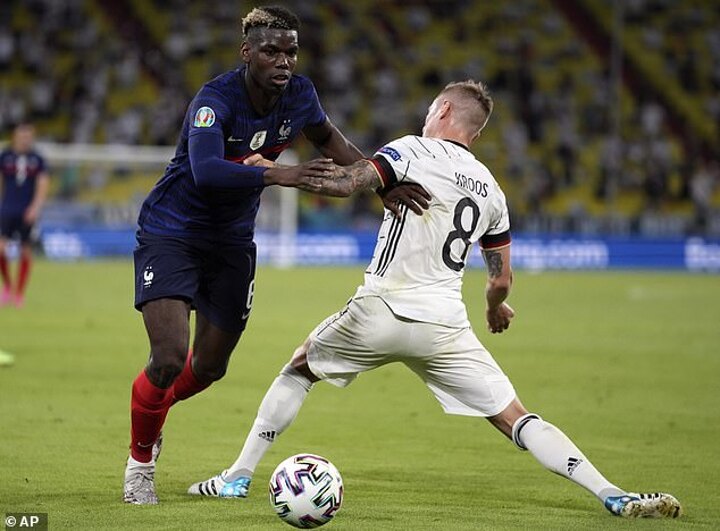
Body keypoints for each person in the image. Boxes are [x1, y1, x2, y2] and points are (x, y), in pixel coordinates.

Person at [188, 80, 682, 519]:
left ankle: (237, 476)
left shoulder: (412, 150)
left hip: (382, 309)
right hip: (445, 326)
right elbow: (501, 279)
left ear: (443, 111)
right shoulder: (491, 190)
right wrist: (494, 307)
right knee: (516, 417)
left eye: (431, 109)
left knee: (299, 369)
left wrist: (275, 170)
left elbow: (348, 182)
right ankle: (611, 493)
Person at [123, 5, 429, 505]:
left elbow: (328, 138)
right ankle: (140, 465)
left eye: (291, 52)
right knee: (169, 357)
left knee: (209, 367)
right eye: (271, 51)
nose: (283, 61)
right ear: (247, 52)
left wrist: (381, 181)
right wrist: (281, 174)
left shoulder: (301, 94)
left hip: (232, 242)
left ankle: (153, 413)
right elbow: (205, 170)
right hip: (173, 232)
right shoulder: (215, 100)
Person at [0, 123, 50, 308]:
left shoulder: (37, 159)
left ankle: (19, 293)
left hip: (27, 210)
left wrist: (35, 207)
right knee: (1, 248)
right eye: (22, 136)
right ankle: (7, 286)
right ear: (15, 136)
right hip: (6, 209)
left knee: (25, 250)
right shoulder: (5, 156)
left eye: (29, 136)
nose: (25, 140)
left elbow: (43, 184)